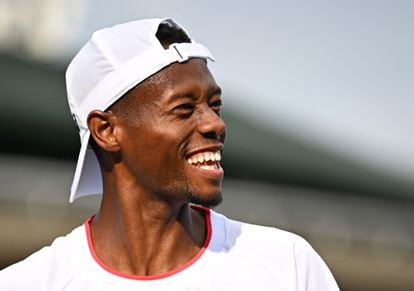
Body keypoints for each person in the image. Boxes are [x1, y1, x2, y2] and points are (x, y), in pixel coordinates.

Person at [0, 18, 339, 290]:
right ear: (106, 130)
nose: (216, 124)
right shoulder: (28, 283)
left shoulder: (287, 266)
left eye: (214, 105)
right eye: (184, 108)